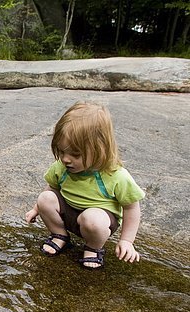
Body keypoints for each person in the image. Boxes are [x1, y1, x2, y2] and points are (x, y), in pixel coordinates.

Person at [25, 101, 145, 269]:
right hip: (69, 213)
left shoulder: (115, 175)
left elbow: (131, 207)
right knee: (44, 198)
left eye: (75, 154)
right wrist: (36, 209)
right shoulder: (62, 166)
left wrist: (126, 241)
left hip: (98, 221)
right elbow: (52, 188)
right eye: (61, 151)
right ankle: (60, 236)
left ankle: (93, 248)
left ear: (100, 149)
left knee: (92, 219)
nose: (66, 159)